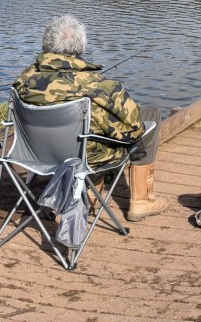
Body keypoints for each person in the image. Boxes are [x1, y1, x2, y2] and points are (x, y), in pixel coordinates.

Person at [14, 14, 168, 222]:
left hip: (35, 155)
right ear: (80, 47)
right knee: (150, 114)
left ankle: (84, 192)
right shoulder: (97, 84)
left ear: (46, 44)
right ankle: (141, 201)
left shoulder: (24, 80)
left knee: (91, 129)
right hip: (85, 158)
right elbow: (135, 128)